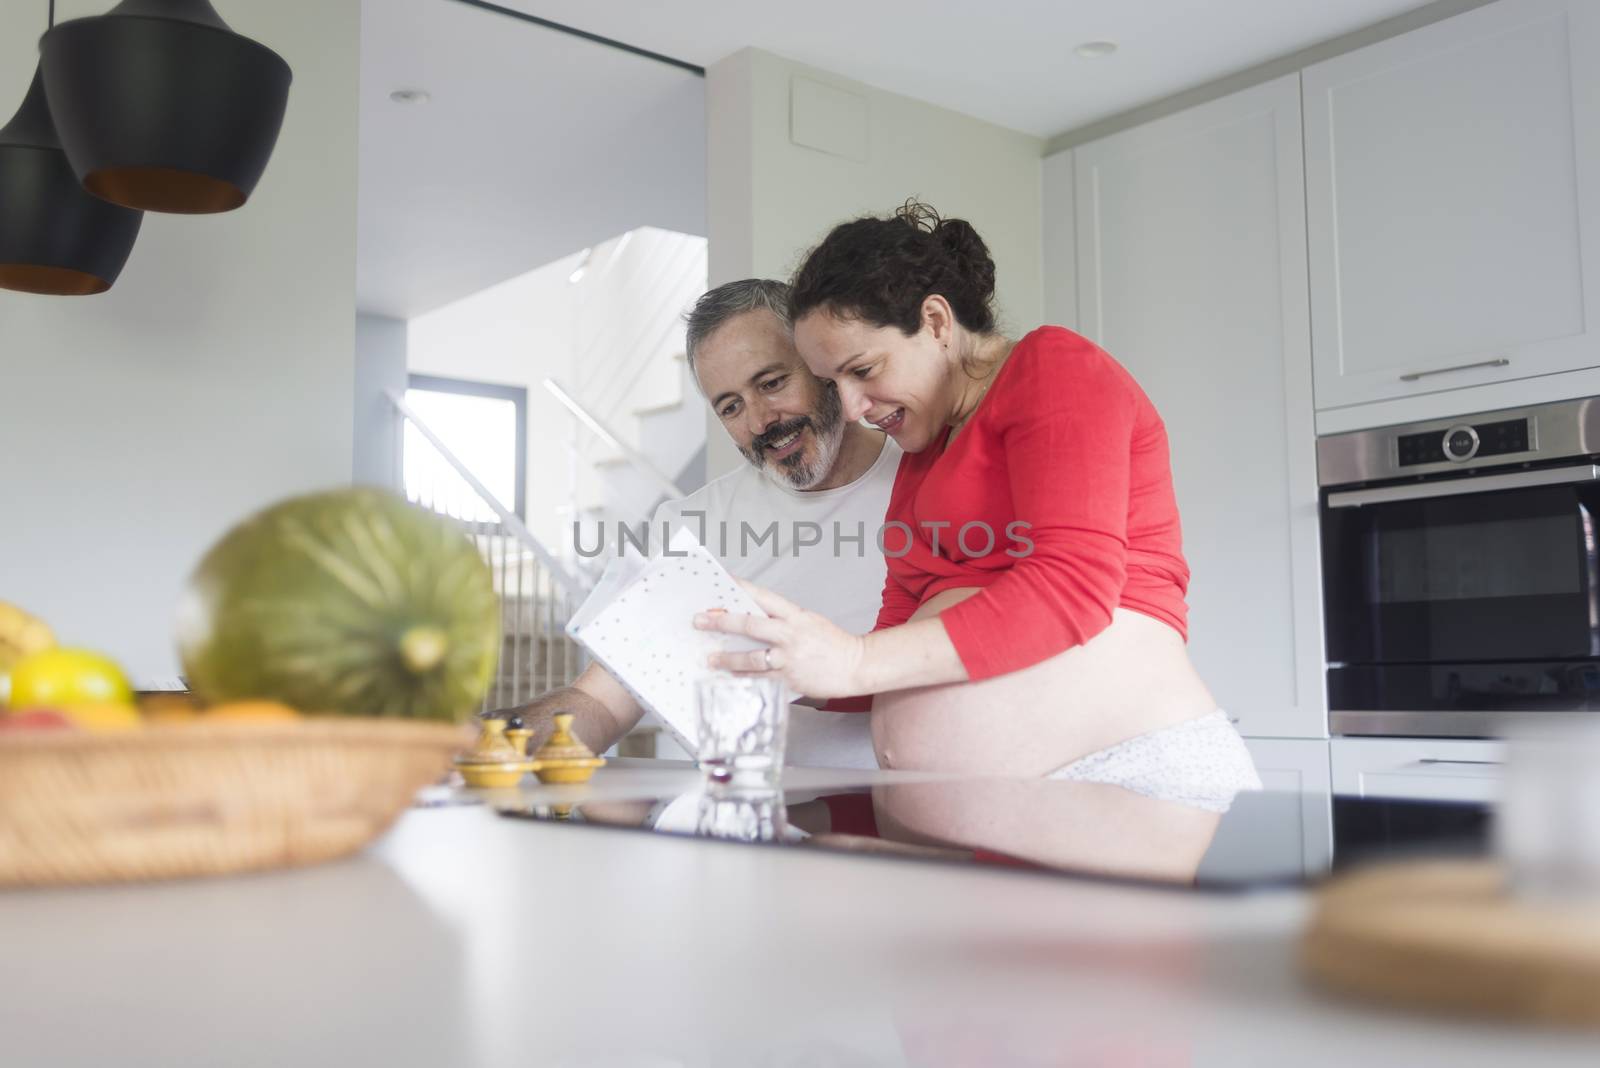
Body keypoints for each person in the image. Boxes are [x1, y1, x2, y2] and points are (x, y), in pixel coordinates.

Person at [696, 201, 1259, 809]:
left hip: (1122, 771)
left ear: (935, 321)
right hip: (977, 807)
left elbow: (1072, 586)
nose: (854, 407)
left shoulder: (1053, 368)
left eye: (863, 369)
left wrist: (853, 660)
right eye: (834, 384)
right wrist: (791, 672)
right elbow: (900, 633)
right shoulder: (923, 451)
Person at [505, 279, 899, 768]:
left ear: (822, 365)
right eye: (730, 406)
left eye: (772, 383)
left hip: (885, 817)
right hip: (729, 820)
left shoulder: (930, 488)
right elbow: (604, 702)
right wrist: (488, 741)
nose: (759, 422)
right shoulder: (689, 526)